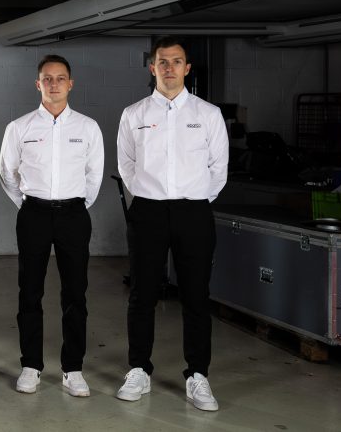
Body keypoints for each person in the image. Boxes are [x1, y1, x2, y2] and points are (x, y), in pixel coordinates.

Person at [115, 36, 228, 411]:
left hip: (194, 211)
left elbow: (218, 168)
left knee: (196, 295)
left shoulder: (207, 114)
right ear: (152, 67)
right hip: (148, 211)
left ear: (187, 68)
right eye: (162, 61)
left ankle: (198, 375)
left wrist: (194, 199)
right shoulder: (134, 114)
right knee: (142, 294)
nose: (169, 67)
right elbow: (126, 165)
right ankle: (138, 369)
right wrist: (149, 194)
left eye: (176, 61)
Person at [0, 54, 103, 397]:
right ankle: (31, 365)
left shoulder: (87, 128)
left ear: (70, 84)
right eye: (47, 78)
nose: (54, 84)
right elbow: (7, 173)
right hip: (34, 215)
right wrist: (29, 205)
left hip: (74, 215)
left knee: (75, 293)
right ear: (38, 84)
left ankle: (73, 369)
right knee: (30, 291)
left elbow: (94, 176)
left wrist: (75, 206)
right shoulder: (19, 127)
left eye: (60, 78)